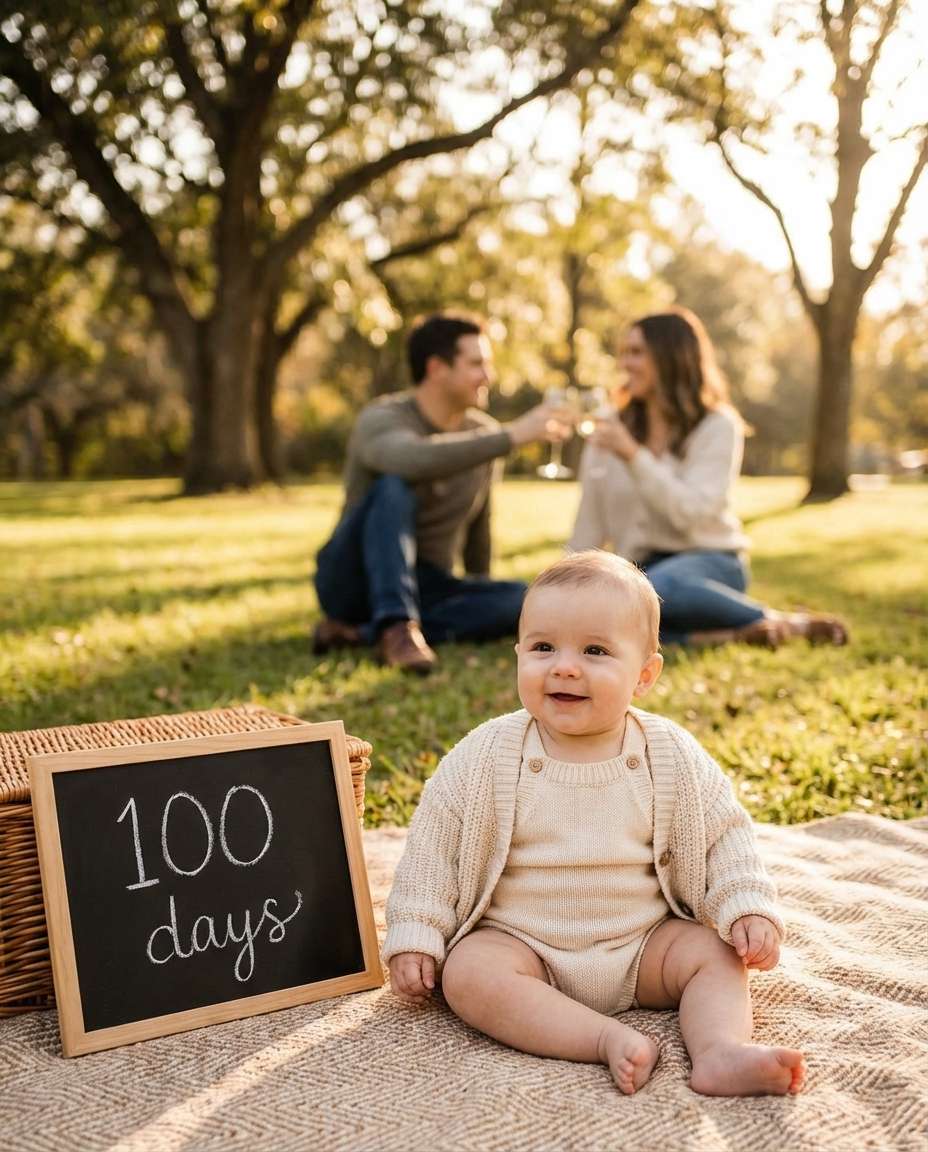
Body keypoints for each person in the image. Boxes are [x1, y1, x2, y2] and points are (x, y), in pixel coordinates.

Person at [384, 551, 805, 1097]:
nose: (563, 666)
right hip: (524, 946)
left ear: (645, 675)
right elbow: (434, 846)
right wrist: (417, 933)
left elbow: (725, 836)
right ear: (518, 654)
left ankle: (720, 1050)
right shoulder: (486, 754)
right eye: (542, 648)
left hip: (644, 944)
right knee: (468, 973)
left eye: (595, 651)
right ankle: (601, 1038)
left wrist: (746, 904)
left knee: (716, 955)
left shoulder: (670, 754)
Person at [570, 307, 848, 648]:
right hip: (639, 567)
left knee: (651, 593)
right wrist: (572, 579)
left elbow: (690, 513)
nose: (625, 364)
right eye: (624, 352)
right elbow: (591, 515)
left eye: (637, 352)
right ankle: (728, 635)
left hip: (710, 562)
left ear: (671, 358)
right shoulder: (611, 424)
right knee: (608, 616)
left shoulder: (718, 426)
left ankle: (784, 622)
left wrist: (633, 455)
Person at [313, 313, 566, 673]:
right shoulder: (382, 418)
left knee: (523, 601)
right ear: (436, 368)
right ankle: (395, 625)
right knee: (393, 485)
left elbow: (480, 525)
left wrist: (480, 590)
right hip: (352, 578)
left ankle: (364, 632)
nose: (488, 377)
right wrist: (511, 436)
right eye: (476, 364)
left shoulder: (483, 434)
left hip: (428, 583)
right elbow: (411, 458)